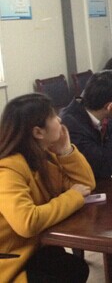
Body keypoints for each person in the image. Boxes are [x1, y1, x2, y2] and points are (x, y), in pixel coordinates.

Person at [0, 93, 95, 282]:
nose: (59, 120)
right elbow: (27, 222)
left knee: (76, 268)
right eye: (53, 116)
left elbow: (85, 186)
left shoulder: (44, 156)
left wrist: (66, 151)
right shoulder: (8, 169)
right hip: (10, 263)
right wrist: (72, 197)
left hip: (33, 250)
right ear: (38, 132)